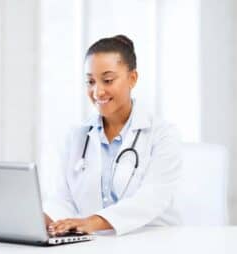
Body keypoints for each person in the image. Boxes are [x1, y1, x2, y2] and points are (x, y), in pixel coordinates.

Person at [43, 34, 182, 236]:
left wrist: (93, 222)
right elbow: (63, 198)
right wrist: (43, 221)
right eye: (90, 81)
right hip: (97, 245)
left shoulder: (163, 135)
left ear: (132, 78)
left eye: (107, 80)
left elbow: (152, 198)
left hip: (152, 241)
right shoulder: (76, 136)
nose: (97, 92)